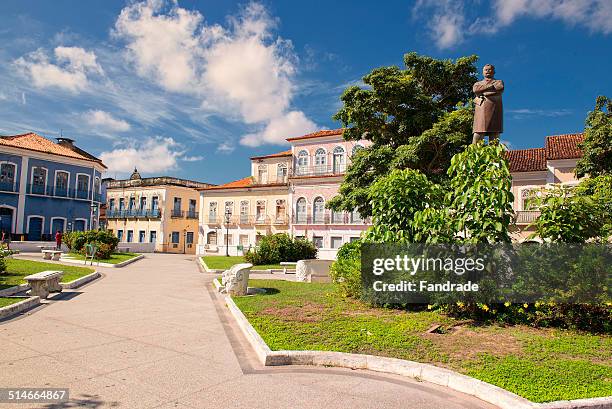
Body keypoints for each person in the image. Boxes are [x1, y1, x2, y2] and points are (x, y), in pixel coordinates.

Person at [472, 64, 504, 144]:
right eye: (486, 70)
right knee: (478, 133)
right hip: (481, 109)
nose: (487, 71)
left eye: (489, 69)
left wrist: (483, 92)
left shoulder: (498, 82)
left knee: (495, 134)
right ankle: (473, 155)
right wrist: (491, 87)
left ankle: (493, 155)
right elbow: (476, 90)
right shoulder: (477, 83)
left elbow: (500, 88)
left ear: (494, 72)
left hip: (495, 109)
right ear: (482, 72)